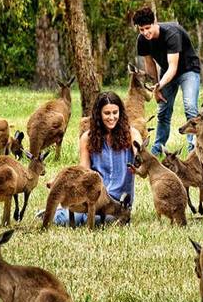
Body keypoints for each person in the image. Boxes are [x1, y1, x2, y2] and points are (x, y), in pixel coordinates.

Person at [48, 92, 142, 226]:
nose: (112, 117)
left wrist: (138, 162)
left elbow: (140, 155)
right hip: (93, 196)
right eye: (107, 113)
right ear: (99, 115)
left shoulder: (132, 134)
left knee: (94, 221)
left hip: (116, 202)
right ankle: (57, 212)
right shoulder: (87, 138)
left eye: (115, 112)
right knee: (65, 220)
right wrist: (60, 181)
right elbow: (83, 170)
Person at [133, 6, 200, 155]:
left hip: (188, 70)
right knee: (163, 111)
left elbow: (173, 67)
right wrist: (154, 87)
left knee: (190, 107)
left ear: (155, 22)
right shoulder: (142, 40)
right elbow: (149, 64)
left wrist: (159, 85)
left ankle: (194, 151)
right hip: (167, 73)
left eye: (147, 28)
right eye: (141, 30)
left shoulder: (171, 33)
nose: (145, 32)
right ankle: (157, 150)